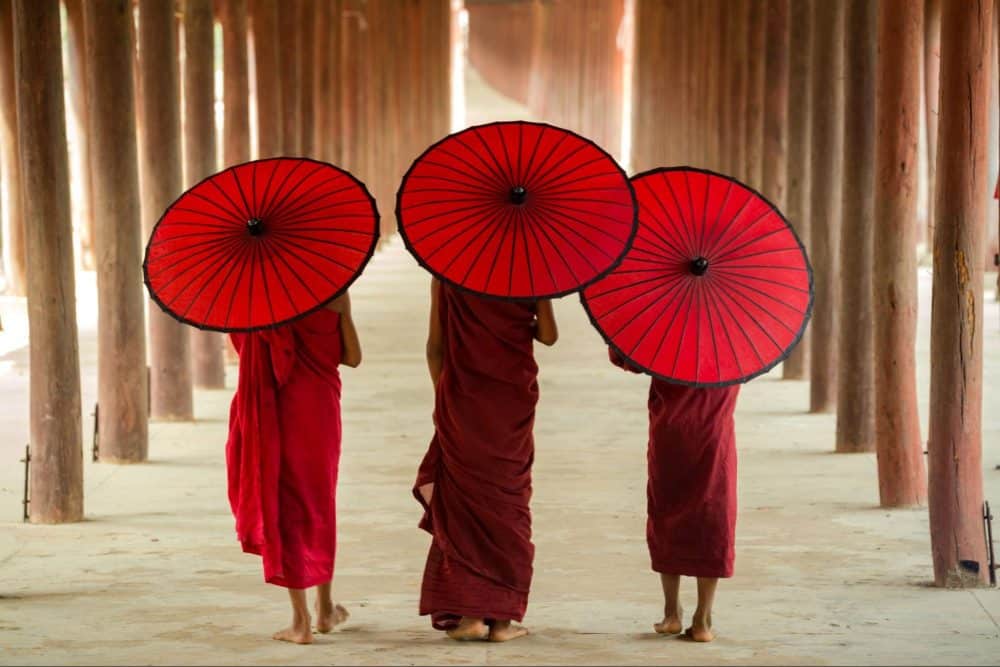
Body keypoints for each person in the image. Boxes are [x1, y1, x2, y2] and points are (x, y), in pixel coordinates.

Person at [414, 278, 558, 642]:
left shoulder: (446, 271)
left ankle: (472, 616)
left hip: (461, 399)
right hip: (511, 400)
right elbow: (549, 336)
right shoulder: (530, 269)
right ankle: (503, 622)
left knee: (466, 500)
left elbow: (435, 348)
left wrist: (443, 400)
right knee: (508, 499)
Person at [226, 291, 362, 645]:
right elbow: (353, 357)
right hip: (320, 410)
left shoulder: (256, 303)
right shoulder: (334, 293)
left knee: (284, 507)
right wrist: (342, 312)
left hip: (276, 411)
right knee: (319, 505)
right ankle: (326, 607)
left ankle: (301, 620)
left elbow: (244, 355)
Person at [609, 348, 739, 643]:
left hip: (670, 433)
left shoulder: (668, 330)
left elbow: (626, 358)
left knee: (667, 512)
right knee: (712, 515)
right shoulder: (732, 339)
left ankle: (671, 613)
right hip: (713, 438)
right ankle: (703, 619)